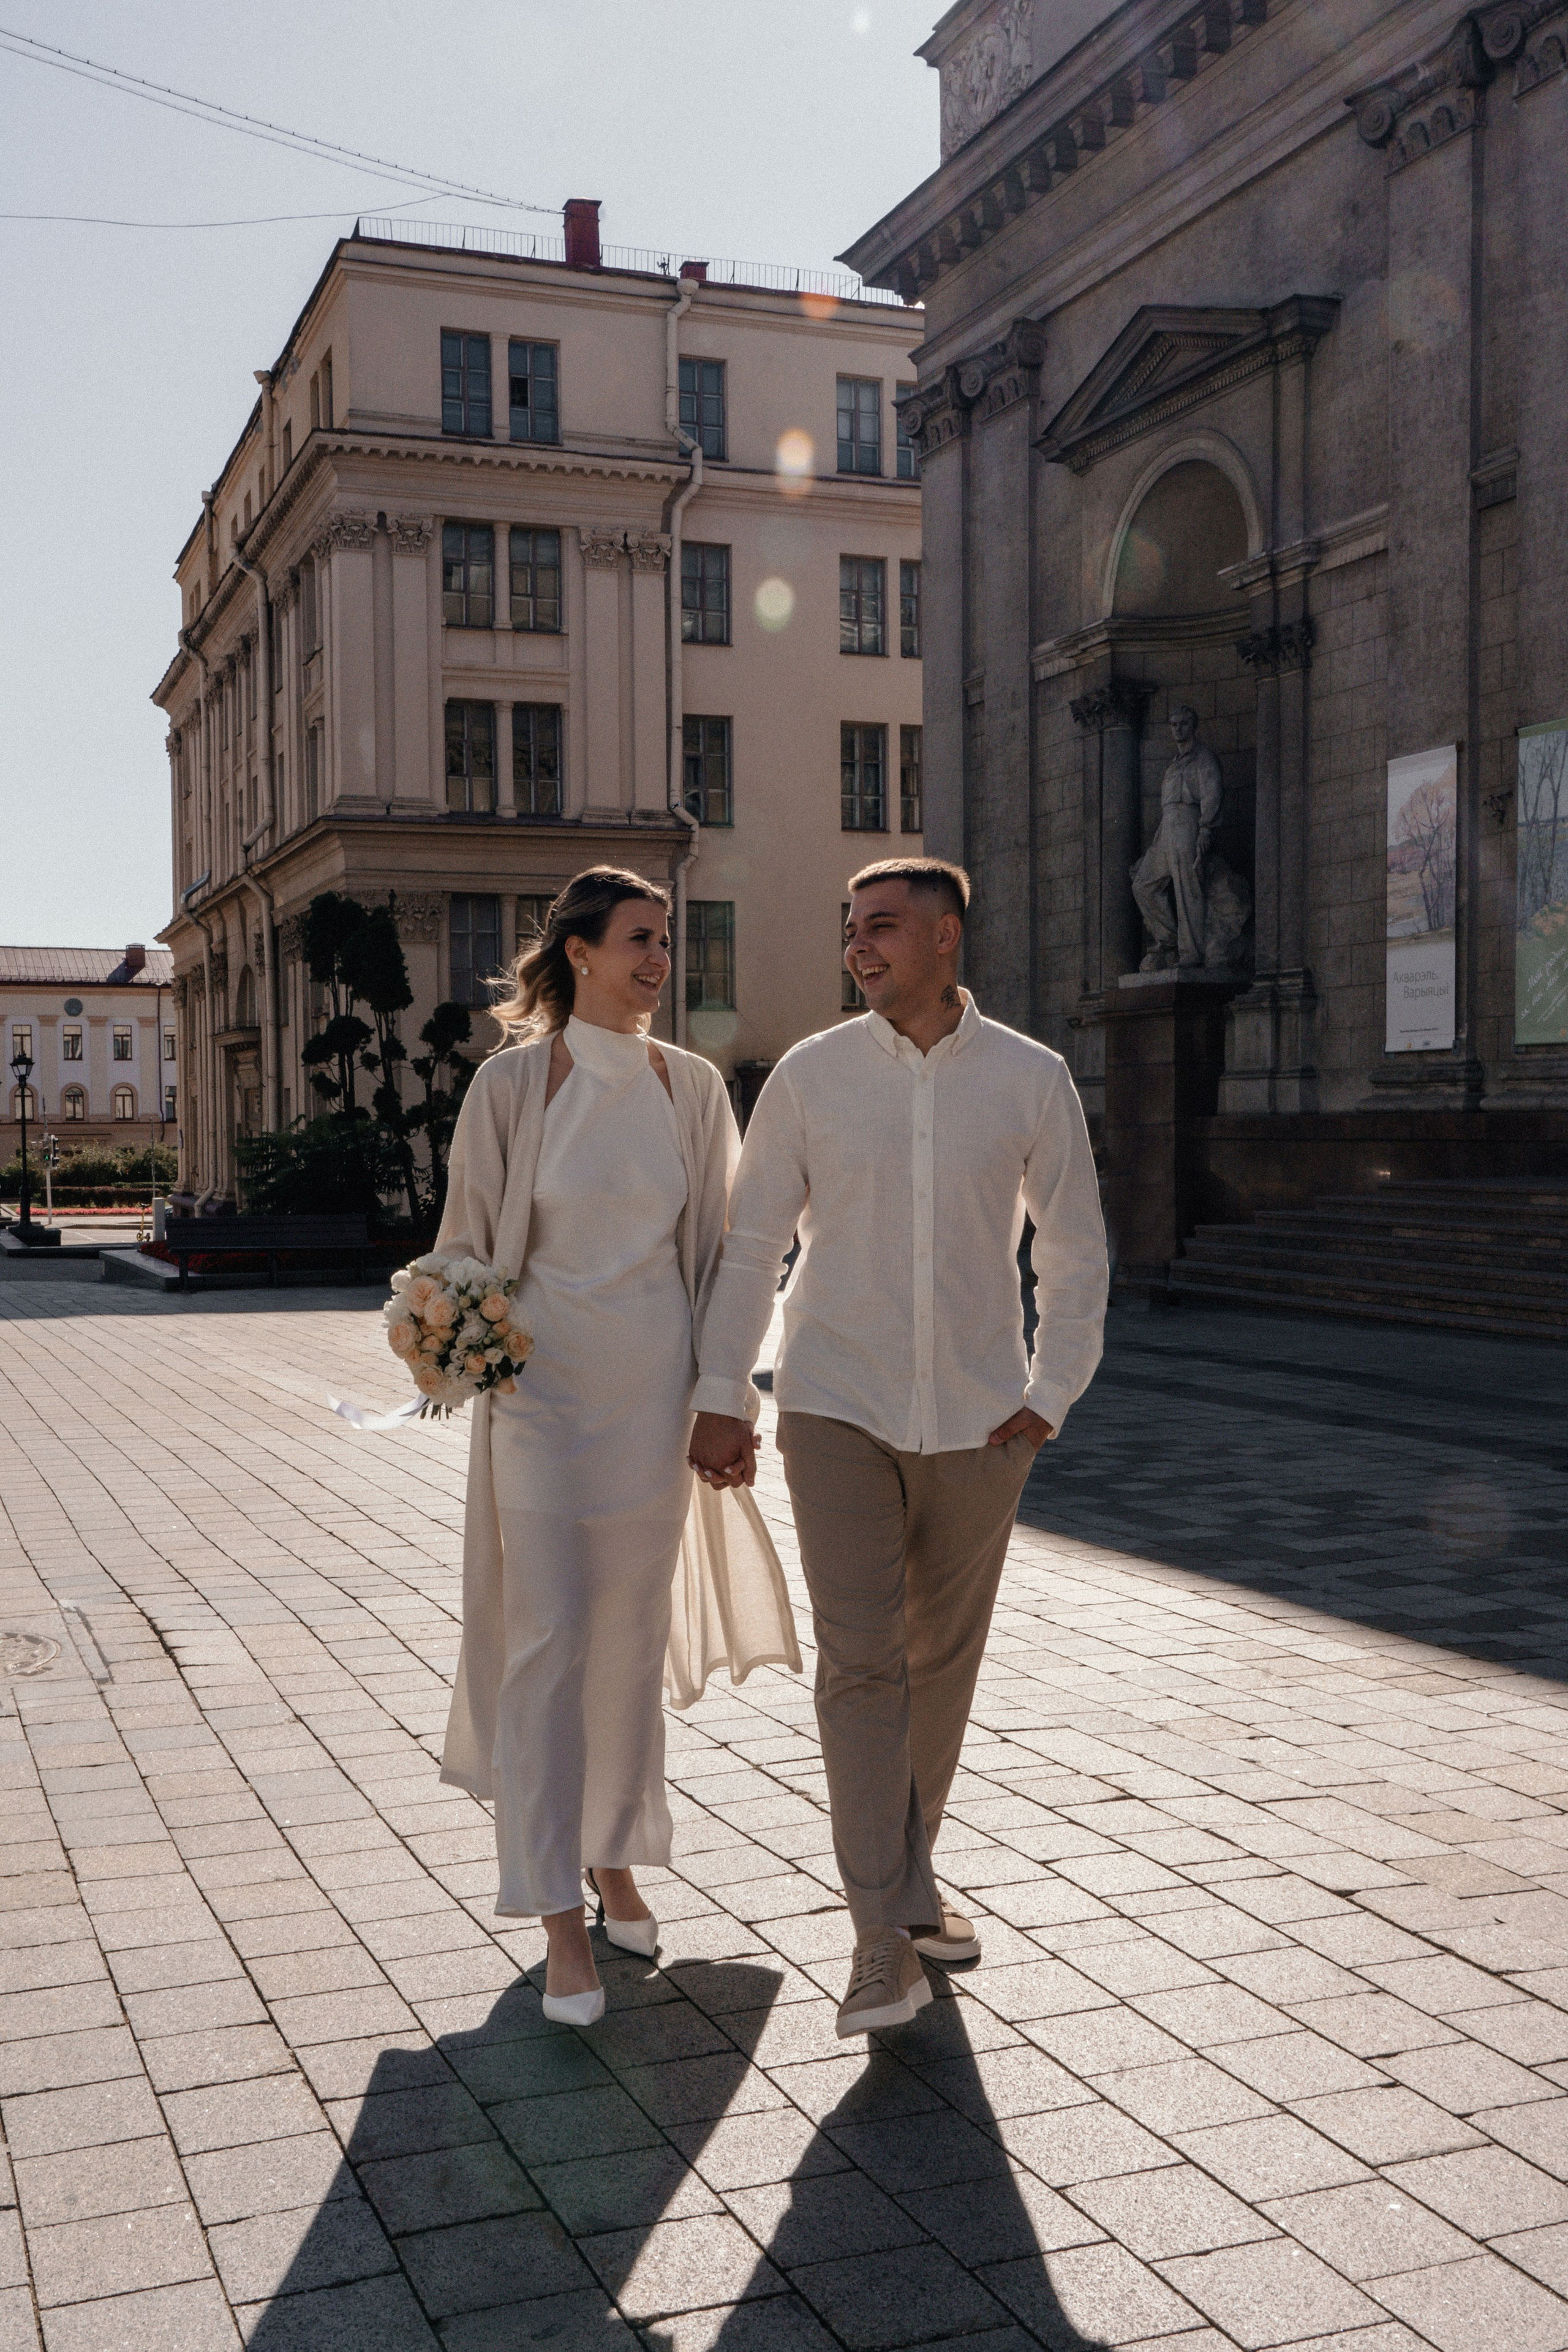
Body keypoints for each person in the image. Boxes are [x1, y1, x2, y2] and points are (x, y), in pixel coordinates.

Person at [689, 858, 1107, 2037]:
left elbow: (1075, 1248)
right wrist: (724, 1390)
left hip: (983, 1420)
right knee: (861, 1665)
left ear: (945, 940)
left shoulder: (1033, 1078)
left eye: (881, 928)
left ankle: (911, 1891)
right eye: (850, 929)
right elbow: (752, 1239)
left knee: (940, 1669)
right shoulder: (811, 1079)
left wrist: (1052, 1392)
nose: (858, 948)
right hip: (835, 1403)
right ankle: (882, 1935)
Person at [434, 867, 798, 2026]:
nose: (659, 960)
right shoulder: (508, 1085)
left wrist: (722, 1395)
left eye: (666, 941)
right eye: (640, 941)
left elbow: (729, 1259)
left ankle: (613, 1857)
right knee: (547, 1639)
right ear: (579, 952)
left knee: (626, 1645)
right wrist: (449, 1337)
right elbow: (463, 1248)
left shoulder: (690, 1088)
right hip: (537, 1402)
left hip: (651, 1406)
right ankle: (552, 1911)